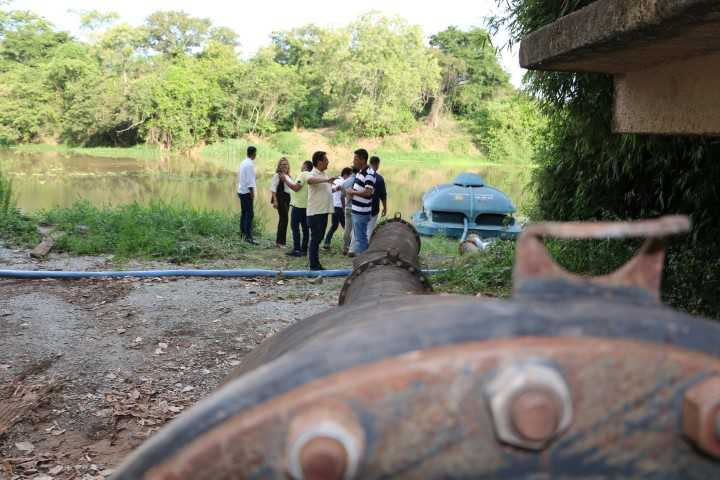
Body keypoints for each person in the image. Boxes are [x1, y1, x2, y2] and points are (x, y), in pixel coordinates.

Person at [303, 151, 335, 270]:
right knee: (316, 238)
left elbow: (325, 190)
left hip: (324, 211)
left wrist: (336, 188)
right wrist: (326, 181)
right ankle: (314, 265)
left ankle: (315, 263)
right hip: (315, 213)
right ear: (319, 162)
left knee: (319, 238)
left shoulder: (324, 174)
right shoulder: (311, 173)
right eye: (326, 160)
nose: (328, 162)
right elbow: (310, 181)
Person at [347, 148, 375, 255]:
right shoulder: (360, 172)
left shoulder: (369, 174)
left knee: (361, 238)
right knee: (359, 237)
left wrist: (353, 192)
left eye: (356, 159)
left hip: (361, 212)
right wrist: (352, 191)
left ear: (363, 160)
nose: (353, 161)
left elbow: (368, 192)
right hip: (357, 210)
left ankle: (364, 261)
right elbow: (361, 189)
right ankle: (362, 258)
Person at [282, 160, 313, 257]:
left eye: (302, 165)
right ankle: (304, 249)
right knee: (305, 228)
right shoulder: (311, 175)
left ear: (305, 166)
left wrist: (285, 180)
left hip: (298, 206)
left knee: (295, 227)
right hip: (306, 206)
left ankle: (297, 249)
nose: (301, 166)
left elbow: (296, 188)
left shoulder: (303, 174)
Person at [323, 167, 352, 250]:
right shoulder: (345, 182)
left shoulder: (335, 180)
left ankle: (327, 242)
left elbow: (330, 191)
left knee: (334, 225)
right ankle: (349, 244)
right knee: (345, 226)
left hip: (334, 207)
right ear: (346, 174)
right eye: (350, 175)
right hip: (341, 207)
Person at [237, 146, 257, 244]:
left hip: (241, 191)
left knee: (244, 213)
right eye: (255, 153)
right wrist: (252, 193)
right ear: (254, 153)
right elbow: (250, 181)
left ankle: (242, 234)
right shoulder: (249, 164)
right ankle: (248, 237)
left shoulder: (243, 162)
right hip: (246, 192)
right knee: (249, 214)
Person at [270, 157, 291, 248]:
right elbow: (273, 189)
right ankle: (280, 242)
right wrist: (275, 201)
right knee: (284, 219)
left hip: (287, 199)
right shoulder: (277, 176)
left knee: (283, 220)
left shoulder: (288, 176)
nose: (285, 166)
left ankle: (280, 242)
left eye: (286, 164)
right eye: (282, 164)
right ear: (279, 166)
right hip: (280, 198)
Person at [367, 156, 387, 237]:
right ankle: (366, 248)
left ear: (370, 163)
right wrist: (385, 208)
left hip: (361, 208)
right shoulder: (379, 178)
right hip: (373, 209)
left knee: (359, 230)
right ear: (377, 164)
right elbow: (383, 195)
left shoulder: (362, 175)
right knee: (370, 230)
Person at [341, 167, 358, 255]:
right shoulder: (359, 180)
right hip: (357, 208)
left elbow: (342, 196)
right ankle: (353, 249)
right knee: (356, 229)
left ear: (351, 172)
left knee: (347, 229)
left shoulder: (345, 182)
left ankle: (345, 248)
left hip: (347, 208)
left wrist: (344, 206)